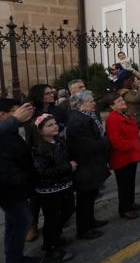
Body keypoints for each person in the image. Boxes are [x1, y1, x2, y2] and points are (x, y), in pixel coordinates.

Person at [0, 99, 42, 263]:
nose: (22, 114)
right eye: (15, 111)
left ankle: (13, 257)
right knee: (23, 220)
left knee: (14, 221)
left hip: (15, 188)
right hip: (8, 189)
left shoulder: (9, 132)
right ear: (3, 115)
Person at [66, 91, 110, 240]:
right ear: (79, 105)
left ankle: (91, 222)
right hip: (85, 166)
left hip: (91, 165)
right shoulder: (78, 121)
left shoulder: (86, 117)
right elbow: (88, 146)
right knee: (84, 200)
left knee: (90, 196)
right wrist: (106, 142)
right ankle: (83, 230)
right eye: (90, 101)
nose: (94, 103)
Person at [32, 114, 76, 262]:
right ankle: (51, 248)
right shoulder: (39, 149)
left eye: (55, 123)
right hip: (49, 191)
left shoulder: (59, 141)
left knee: (68, 210)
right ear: (40, 130)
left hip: (65, 185)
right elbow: (42, 172)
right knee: (52, 219)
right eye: (49, 125)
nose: (55, 126)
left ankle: (55, 237)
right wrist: (67, 167)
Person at [104, 92, 140, 220]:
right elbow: (116, 141)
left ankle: (130, 203)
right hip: (122, 157)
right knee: (124, 184)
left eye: (122, 100)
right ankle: (124, 209)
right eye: (119, 102)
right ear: (112, 106)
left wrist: (137, 133)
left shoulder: (124, 114)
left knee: (130, 181)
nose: (123, 102)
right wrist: (133, 143)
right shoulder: (112, 119)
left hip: (130, 155)